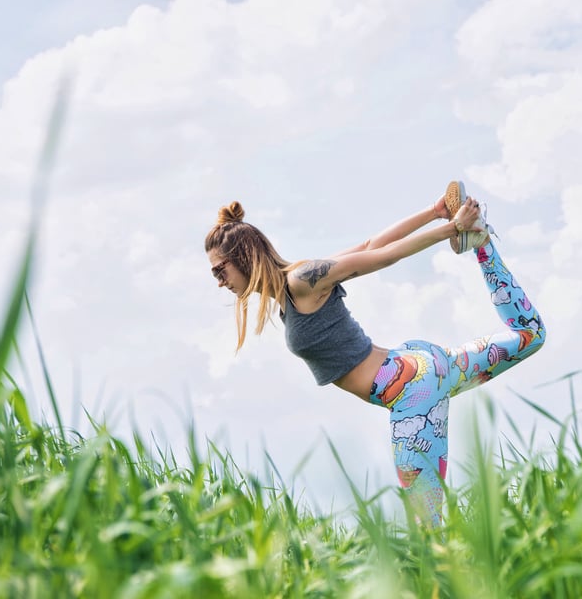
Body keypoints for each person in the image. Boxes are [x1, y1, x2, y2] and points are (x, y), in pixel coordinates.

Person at [204, 181, 545, 527]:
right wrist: (435, 213)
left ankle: (473, 235)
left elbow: (383, 256)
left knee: (427, 525)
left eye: (221, 270)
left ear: (244, 257)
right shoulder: (295, 286)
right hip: (422, 370)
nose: (219, 281)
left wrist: (451, 230)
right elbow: (371, 244)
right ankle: (482, 244)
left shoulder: (302, 281)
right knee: (530, 335)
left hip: (411, 393)